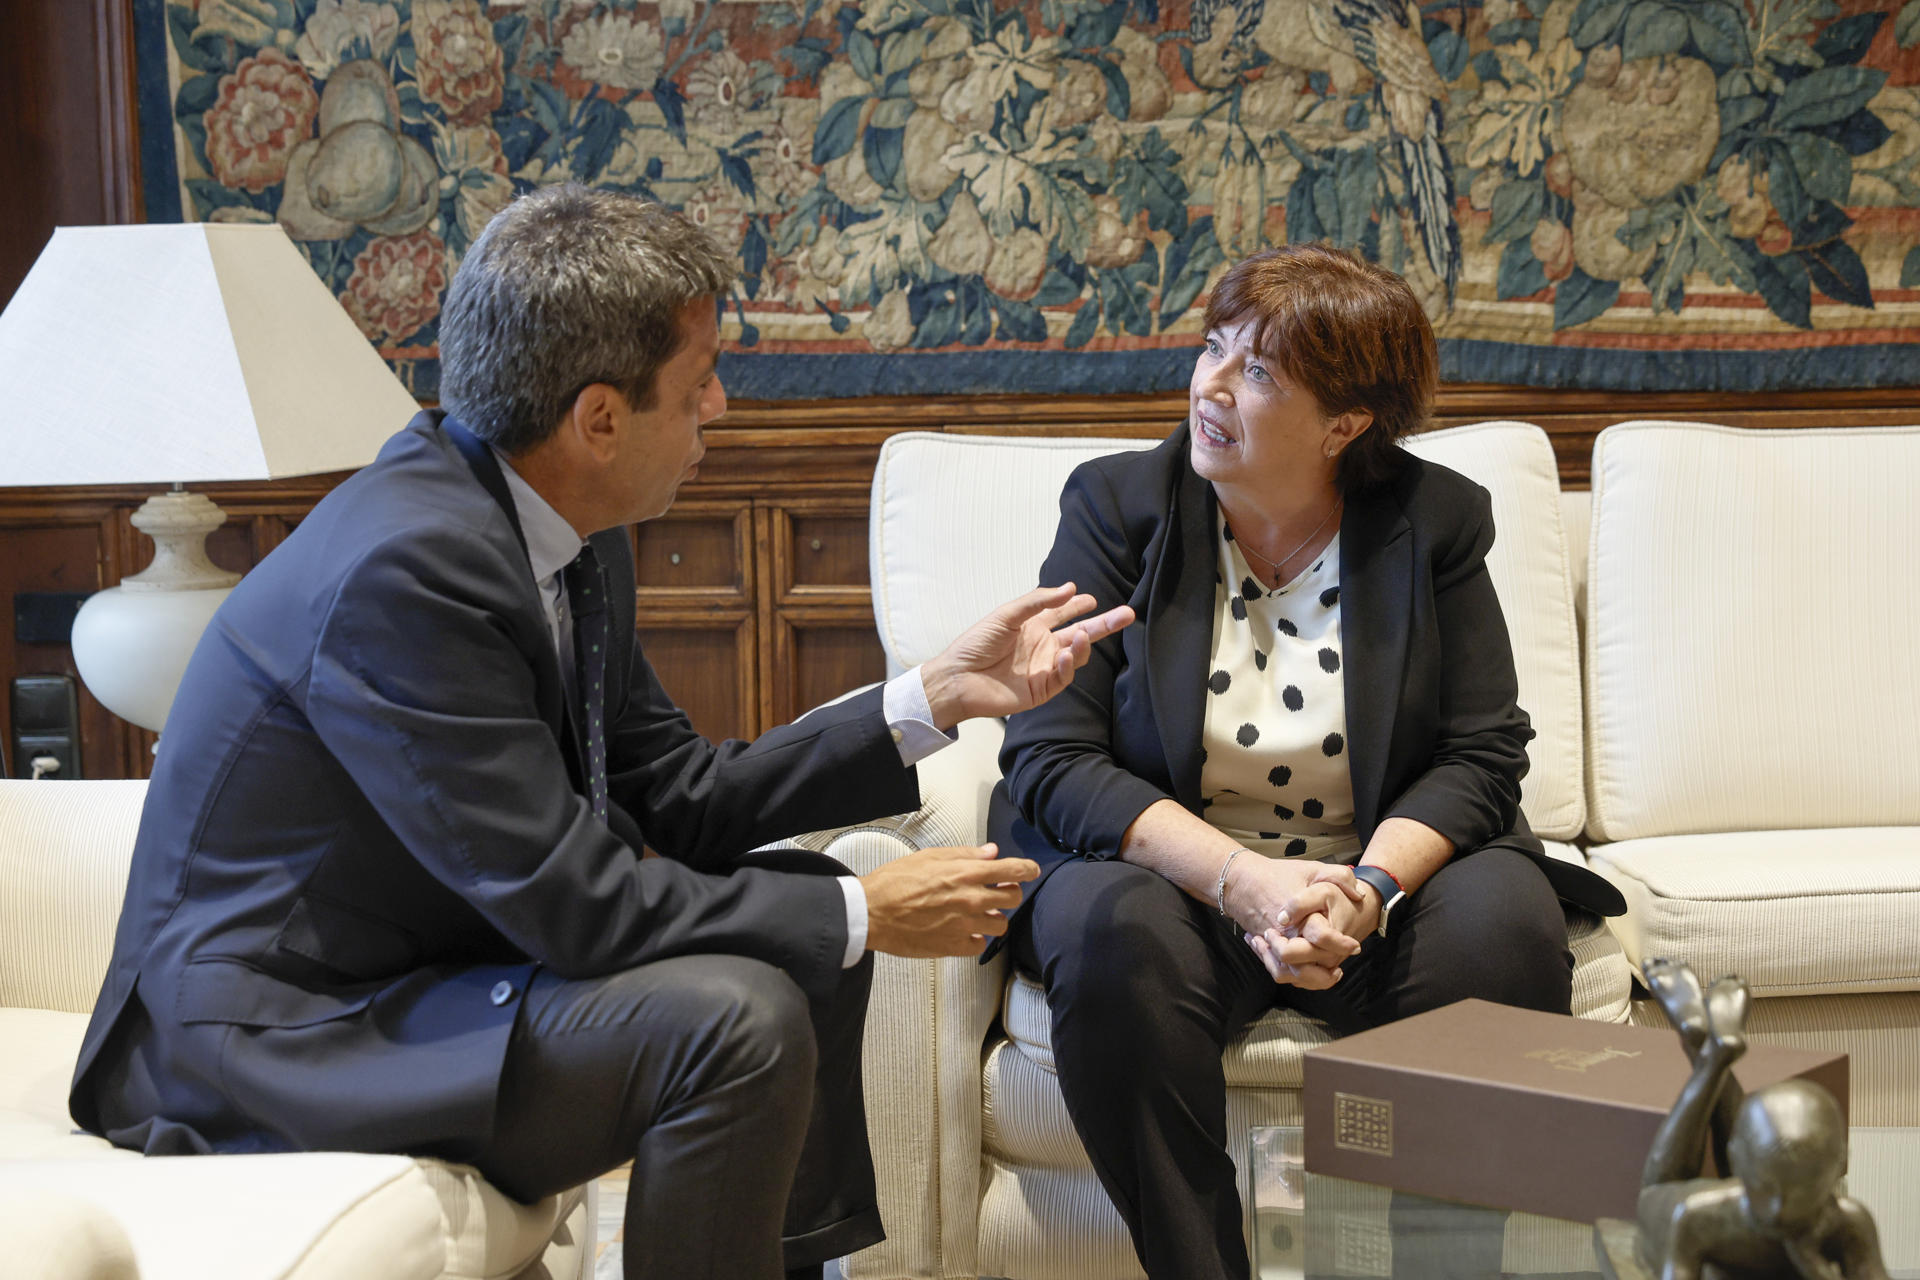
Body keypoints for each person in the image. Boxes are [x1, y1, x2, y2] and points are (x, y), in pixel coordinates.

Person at [67, 185, 1132, 1280]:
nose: (721, 403)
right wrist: (861, 905)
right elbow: (573, 903)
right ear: (600, 417)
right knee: (745, 1008)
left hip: (410, 970)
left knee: (801, 946)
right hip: (273, 1034)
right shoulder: (405, 570)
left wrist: (930, 696)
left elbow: (681, 791)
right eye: (700, 377)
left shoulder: (563, 525)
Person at [988, 243, 1624, 1279]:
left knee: (1504, 927)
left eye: (1260, 371)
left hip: (1373, 881)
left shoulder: (1435, 524)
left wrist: (1367, 887)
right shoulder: (1117, 508)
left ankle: (1436, 1267)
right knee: (1107, 935)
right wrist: (1245, 883)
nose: (1211, 386)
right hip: (1183, 878)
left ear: (1345, 422)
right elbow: (1051, 756)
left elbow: (1481, 751)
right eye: (1213, 350)